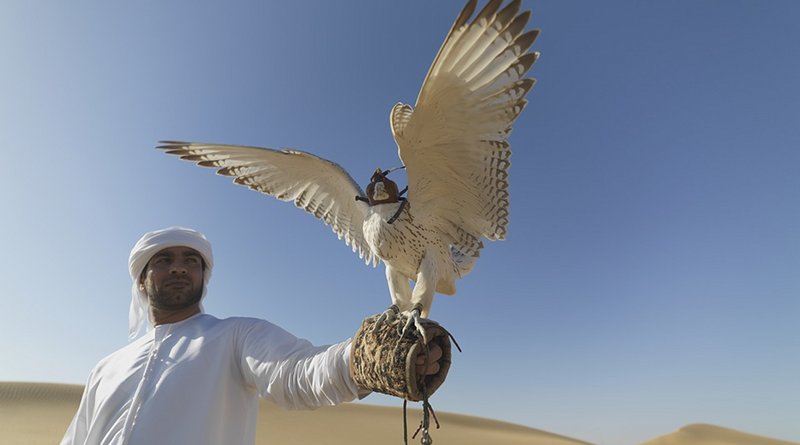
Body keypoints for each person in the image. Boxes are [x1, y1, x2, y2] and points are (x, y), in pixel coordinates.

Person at [61, 226, 443, 445]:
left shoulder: (235, 337)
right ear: (142, 282)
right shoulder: (106, 368)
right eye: (164, 260)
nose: (179, 268)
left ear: (203, 277)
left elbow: (297, 373)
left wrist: (361, 361)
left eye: (191, 261)